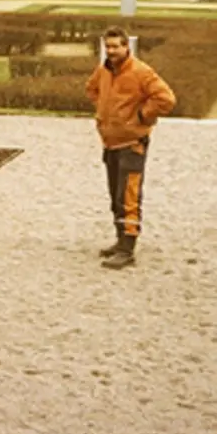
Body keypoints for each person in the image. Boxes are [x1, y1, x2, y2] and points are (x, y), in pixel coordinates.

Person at [84, 26, 176, 270]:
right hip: (110, 142)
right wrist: (106, 113)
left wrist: (140, 116)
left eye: (116, 46)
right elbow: (91, 89)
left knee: (129, 196)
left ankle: (128, 249)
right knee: (115, 194)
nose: (111, 51)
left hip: (132, 143)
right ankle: (120, 239)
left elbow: (166, 99)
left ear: (127, 47)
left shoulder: (142, 72)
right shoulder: (103, 71)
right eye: (108, 46)